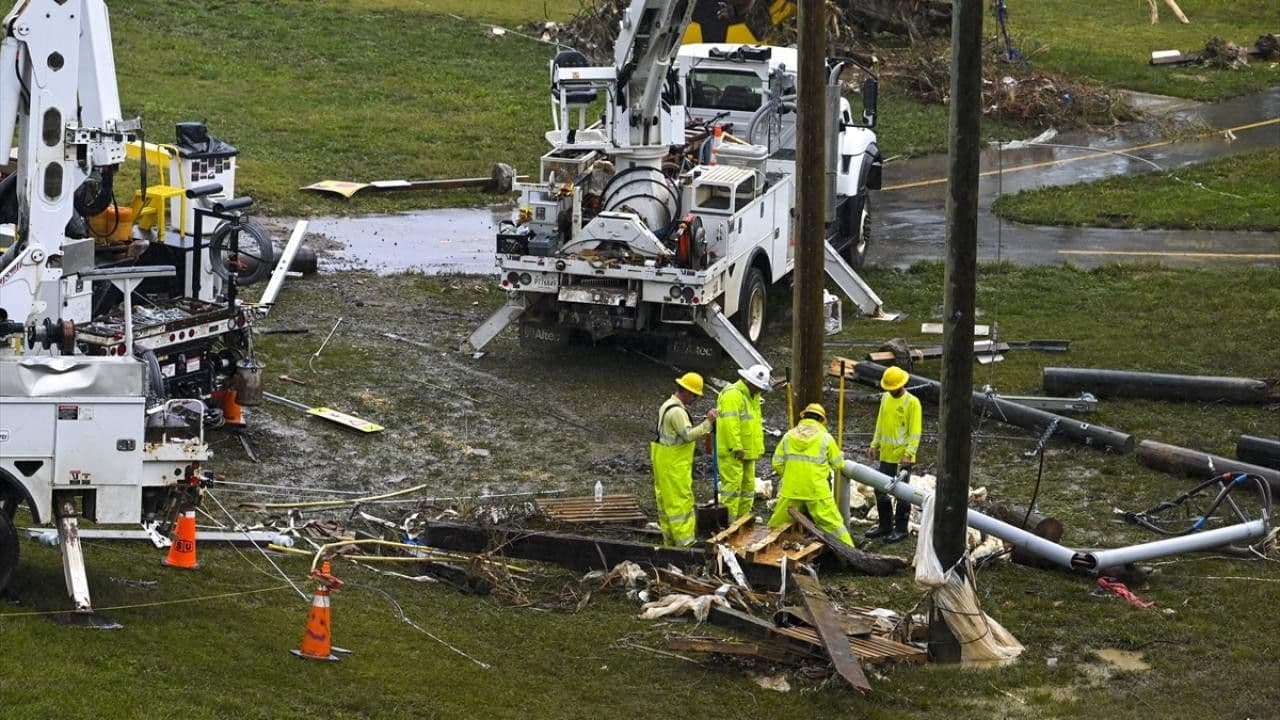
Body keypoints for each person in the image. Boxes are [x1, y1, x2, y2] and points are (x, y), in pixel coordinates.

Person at [768, 403, 853, 546]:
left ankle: (768, 548)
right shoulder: (825, 438)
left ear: (804, 417)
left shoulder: (788, 436)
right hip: (816, 490)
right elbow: (839, 464)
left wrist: (791, 475)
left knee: (777, 524)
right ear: (820, 420)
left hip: (791, 489)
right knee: (834, 525)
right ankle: (849, 554)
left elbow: (776, 463)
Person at [650, 372, 717, 547]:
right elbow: (688, 435)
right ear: (686, 391)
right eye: (695, 395)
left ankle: (670, 541)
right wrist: (708, 423)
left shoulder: (667, 405)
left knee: (666, 503)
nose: (694, 399)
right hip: (674, 464)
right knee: (681, 503)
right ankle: (685, 544)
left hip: (664, 460)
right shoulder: (678, 412)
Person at [866, 365, 922, 544]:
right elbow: (880, 423)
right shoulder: (885, 399)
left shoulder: (912, 403)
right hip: (887, 455)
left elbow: (915, 432)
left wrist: (909, 453)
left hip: (902, 457)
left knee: (902, 492)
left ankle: (901, 528)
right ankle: (885, 525)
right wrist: (874, 444)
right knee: (880, 489)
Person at [715, 363, 771, 519]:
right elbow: (730, 424)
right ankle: (728, 525)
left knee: (747, 488)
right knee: (732, 490)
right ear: (750, 382)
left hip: (748, 451)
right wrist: (736, 447)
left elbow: (754, 424)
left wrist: (756, 449)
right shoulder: (733, 395)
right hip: (733, 452)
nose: (760, 390)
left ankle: (742, 521)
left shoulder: (753, 396)